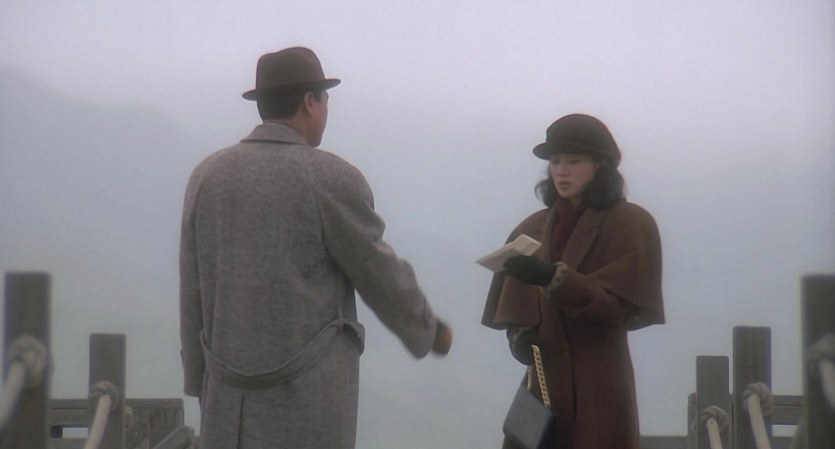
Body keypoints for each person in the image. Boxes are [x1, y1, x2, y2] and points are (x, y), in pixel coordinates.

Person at [179, 47, 452, 449]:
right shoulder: (330, 178)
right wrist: (429, 329)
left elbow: (193, 289)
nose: (326, 109)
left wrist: (197, 377)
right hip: (308, 404)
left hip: (226, 403)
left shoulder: (207, 176)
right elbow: (378, 271)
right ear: (309, 101)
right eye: (325, 99)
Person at [481, 113, 664, 449]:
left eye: (573, 161)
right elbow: (514, 312)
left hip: (600, 385)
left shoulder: (631, 224)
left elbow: (616, 308)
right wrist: (519, 338)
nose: (561, 171)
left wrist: (554, 278)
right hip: (542, 388)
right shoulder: (530, 228)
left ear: (601, 164)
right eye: (555, 161)